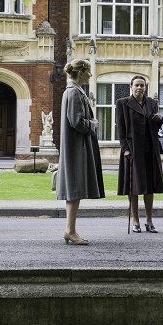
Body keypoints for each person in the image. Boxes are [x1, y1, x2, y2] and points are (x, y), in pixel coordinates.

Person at [55, 59, 105, 245]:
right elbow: (77, 122)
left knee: (74, 190)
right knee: (74, 189)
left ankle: (70, 229)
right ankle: (70, 230)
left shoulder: (74, 91)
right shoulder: (74, 92)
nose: (90, 75)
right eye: (88, 72)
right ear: (81, 72)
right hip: (77, 148)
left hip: (75, 147)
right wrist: (92, 124)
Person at [116, 75, 163, 233]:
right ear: (131, 87)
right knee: (134, 187)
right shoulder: (123, 103)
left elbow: (154, 127)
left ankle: (149, 221)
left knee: (150, 186)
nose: (139, 88)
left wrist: (159, 120)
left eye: (142, 85)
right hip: (132, 150)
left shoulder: (152, 103)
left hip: (150, 149)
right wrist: (125, 149)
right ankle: (136, 221)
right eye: (137, 85)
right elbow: (121, 129)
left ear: (145, 87)